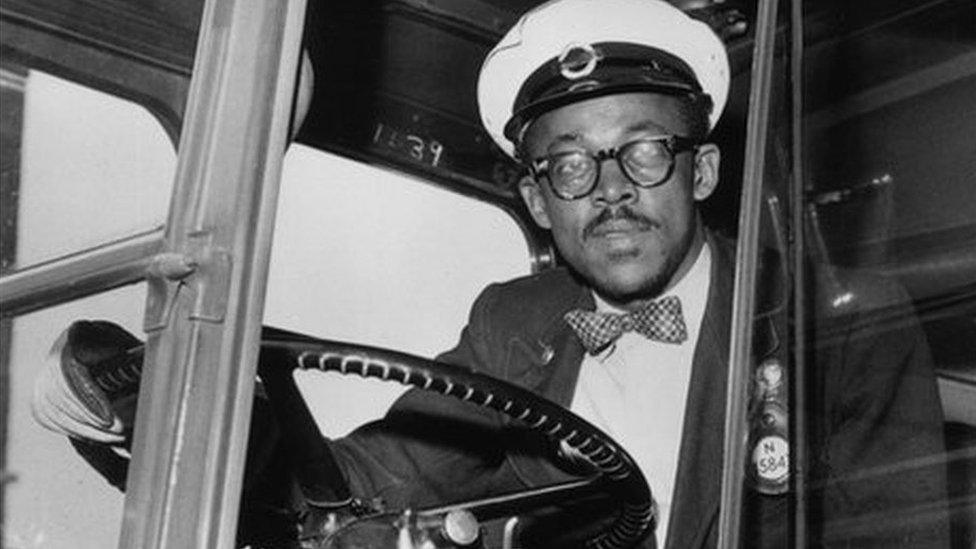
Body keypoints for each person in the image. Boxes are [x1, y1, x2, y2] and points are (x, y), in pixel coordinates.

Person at [33, 0, 949, 547]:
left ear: (701, 171)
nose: (611, 193)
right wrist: (145, 412)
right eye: (571, 166)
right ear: (540, 201)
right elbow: (362, 481)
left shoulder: (838, 326)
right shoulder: (518, 319)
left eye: (642, 153)